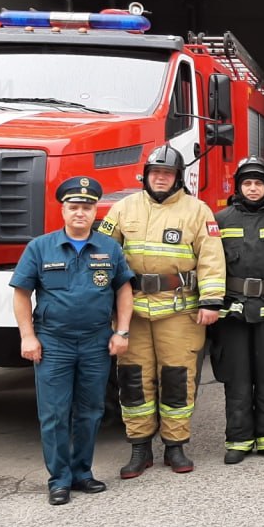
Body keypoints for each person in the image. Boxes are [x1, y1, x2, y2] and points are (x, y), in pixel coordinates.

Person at [96, 146, 227, 477]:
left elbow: (212, 256)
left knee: (177, 377)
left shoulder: (197, 211)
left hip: (179, 310)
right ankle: (139, 448)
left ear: (177, 178)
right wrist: (100, 301)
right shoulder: (124, 208)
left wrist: (211, 301)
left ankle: (175, 446)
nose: (160, 178)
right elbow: (100, 252)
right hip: (133, 311)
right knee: (133, 378)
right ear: (146, 175)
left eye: (166, 174)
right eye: (155, 173)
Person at [11, 177, 134, 506]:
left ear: (95, 211)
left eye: (87, 207)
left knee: (91, 411)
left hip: (96, 342)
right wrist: (28, 336)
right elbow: (21, 293)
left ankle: (82, 472)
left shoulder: (109, 248)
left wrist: (121, 331)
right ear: (63, 209)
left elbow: (123, 289)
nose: (81, 213)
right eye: (74, 207)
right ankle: (59, 479)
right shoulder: (40, 247)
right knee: (54, 413)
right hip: (53, 343)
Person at [211, 156, 264, 464]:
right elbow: (210, 266)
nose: (253, 188)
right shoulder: (219, 221)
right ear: (238, 186)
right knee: (237, 377)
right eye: (247, 183)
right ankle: (239, 439)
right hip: (232, 313)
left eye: (259, 183)